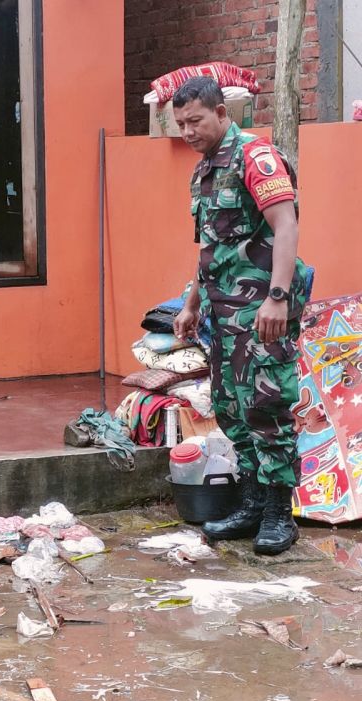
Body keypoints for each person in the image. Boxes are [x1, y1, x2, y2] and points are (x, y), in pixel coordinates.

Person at [171, 77, 309, 555]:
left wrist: (278, 295)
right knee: (231, 407)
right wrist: (191, 303)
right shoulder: (204, 170)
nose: (188, 131)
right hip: (221, 313)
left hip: (260, 309)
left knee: (267, 405)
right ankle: (251, 504)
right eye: (181, 124)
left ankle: (278, 515)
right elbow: (211, 245)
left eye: (196, 120)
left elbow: (285, 224)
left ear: (222, 114)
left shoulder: (256, 157)